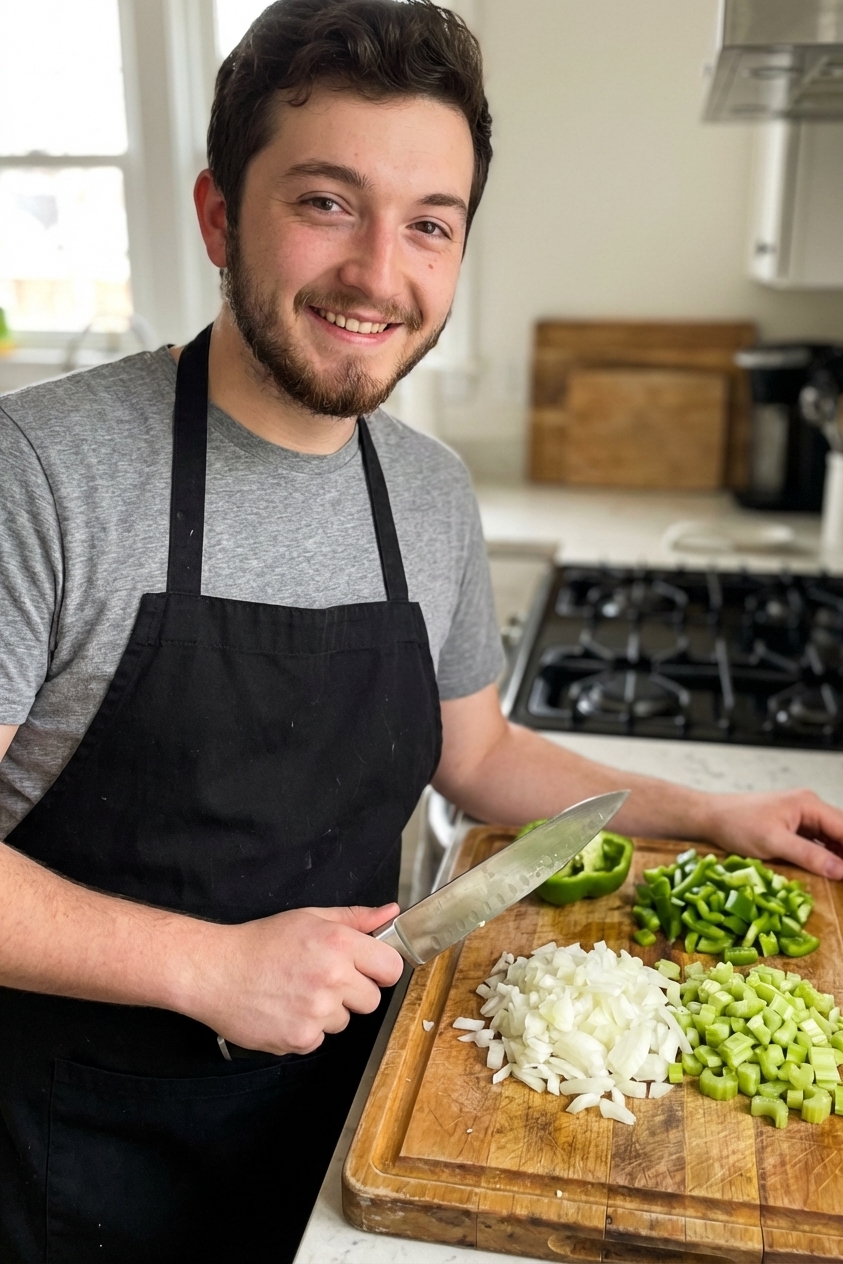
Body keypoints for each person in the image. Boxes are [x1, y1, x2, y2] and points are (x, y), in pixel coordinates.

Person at [1, 0, 842, 1259]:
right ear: (221, 214)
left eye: (430, 225)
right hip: (72, 1150)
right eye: (326, 202)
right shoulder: (46, 470)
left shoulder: (429, 491)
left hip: (349, 1115)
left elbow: (479, 753)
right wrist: (207, 966)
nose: (380, 274)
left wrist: (710, 813)